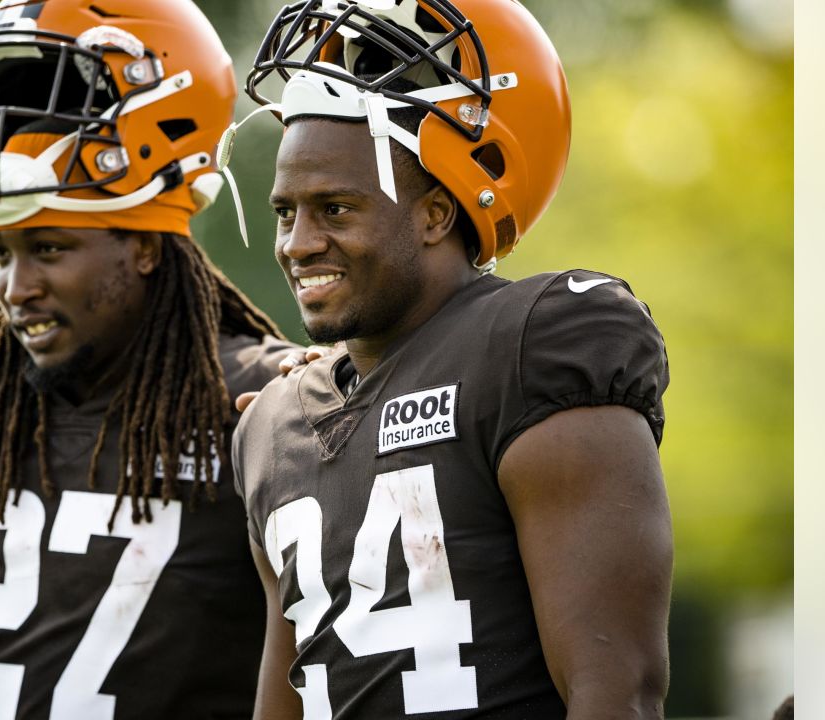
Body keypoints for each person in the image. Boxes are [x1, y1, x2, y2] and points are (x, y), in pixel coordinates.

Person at [0, 1, 301, 717]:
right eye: (2, 251)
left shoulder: (266, 405)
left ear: (146, 247)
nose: (15, 288)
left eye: (50, 249)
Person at [231, 1, 673, 718]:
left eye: (335, 209)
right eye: (287, 213)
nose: (298, 243)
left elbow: (614, 692)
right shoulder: (272, 426)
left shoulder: (533, 346)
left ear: (437, 213)